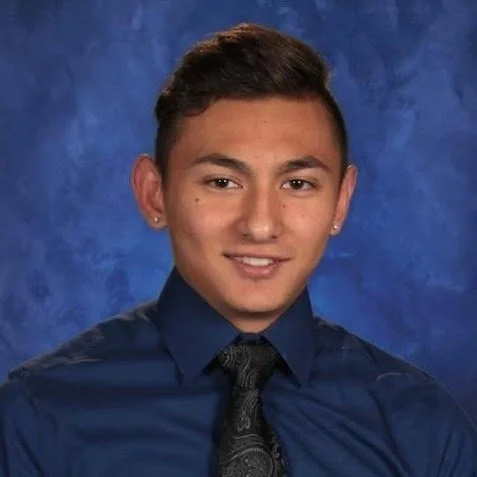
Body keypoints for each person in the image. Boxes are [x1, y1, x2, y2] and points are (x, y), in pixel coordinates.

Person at [0, 22, 476, 477]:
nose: (260, 225)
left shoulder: (422, 426)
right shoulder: (38, 417)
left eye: (298, 183)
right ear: (154, 194)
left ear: (340, 202)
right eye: (222, 182)